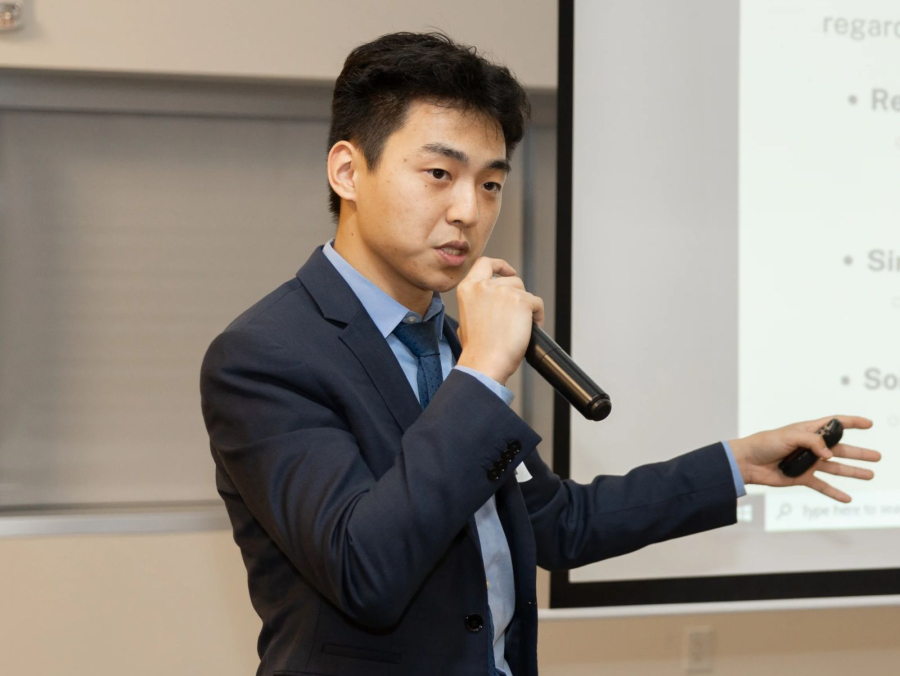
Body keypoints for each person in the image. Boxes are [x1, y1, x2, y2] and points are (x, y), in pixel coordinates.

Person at [199, 31, 880, 676]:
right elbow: (365, 568)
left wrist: (736, 465)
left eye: (491, 183)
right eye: (439, 173)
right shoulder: (266, 356)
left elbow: (557, 524)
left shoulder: (453, 337)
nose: (469, 209)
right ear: (349, 171)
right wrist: (482, 372)